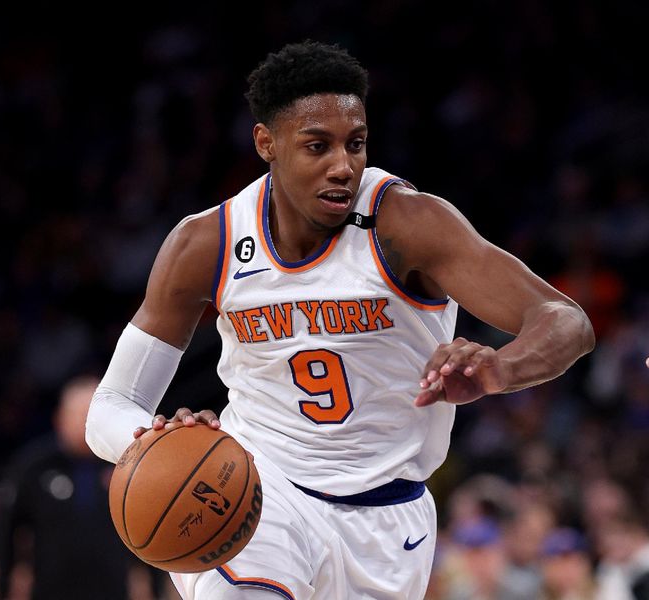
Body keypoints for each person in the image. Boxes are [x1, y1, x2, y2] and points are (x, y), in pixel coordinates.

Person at [85, 41, 595, 600]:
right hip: (256, 492)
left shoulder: (407, 224)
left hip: (388, 520)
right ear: (266, 144)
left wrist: (501, 368)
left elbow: (565, 320)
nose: (342, 165)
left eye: (355, 144)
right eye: (316, 146)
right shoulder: (207, 242)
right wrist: (154, 437)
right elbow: (109, 406)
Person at [0, 375, 156, 600]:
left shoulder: (127, 467)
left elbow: (152, 529)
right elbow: (6, 530)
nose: (87, 423)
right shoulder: (34, 466)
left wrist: (153, 586)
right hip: (50, 590)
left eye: (92, 416)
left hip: (112, 590)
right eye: (80, 415)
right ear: (60, 419)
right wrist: (3, 585)